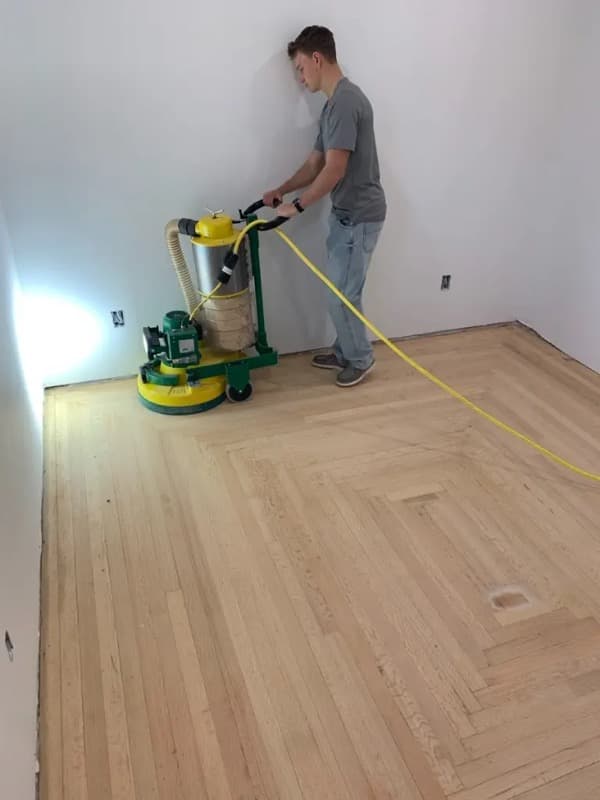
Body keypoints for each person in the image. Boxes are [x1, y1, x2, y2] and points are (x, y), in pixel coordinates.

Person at [263, 25, 386, 388]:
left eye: (301, 68)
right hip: (346, 214)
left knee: (343, 296)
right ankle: (345, 350)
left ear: (317, 58)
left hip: (360, 215)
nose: (300, 79)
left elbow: (335, 168)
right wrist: (281, 190)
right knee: (338, 291)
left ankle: (360, 358)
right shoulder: (332, 107)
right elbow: (316, 163)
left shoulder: (348, 101)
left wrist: (297, 207)